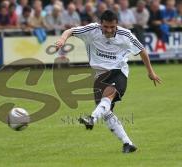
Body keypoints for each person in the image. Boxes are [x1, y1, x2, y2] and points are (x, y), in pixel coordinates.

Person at [55, 10, 161, 153]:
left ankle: (92, 118)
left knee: (108, 97)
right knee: (106, 111)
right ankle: (128, 144)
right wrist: (62, 39)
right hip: (100, 76)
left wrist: (150, 72)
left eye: (112, 27)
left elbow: (142, 50)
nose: (109, 30)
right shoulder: (92, 30)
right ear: (101, 24)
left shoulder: (126, 35)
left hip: (119, 72)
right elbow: (70, 31)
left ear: (117, 24)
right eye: (106, 27)